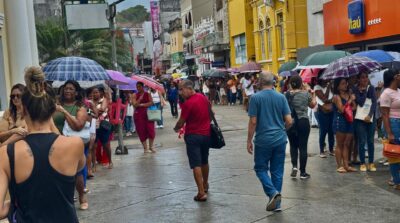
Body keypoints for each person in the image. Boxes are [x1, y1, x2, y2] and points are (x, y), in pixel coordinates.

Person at [0, 66, 85, 222]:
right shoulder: (75, 144)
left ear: (23, 110)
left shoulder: (7, 153)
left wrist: (16, 202)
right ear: (53, 110)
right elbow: (77, 168)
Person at [247, 72, 292, 212]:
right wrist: (281, 130)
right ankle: (276, 205)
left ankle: (273, 193)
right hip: (280, 139)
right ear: (273, 83)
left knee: (260, 168)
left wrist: (249, 140)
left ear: (260, 82)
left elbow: (253, 122)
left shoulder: (255, 98)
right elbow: (289, 121)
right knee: (277, 171)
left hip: (263, 140)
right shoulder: (281, 97)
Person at [53, 80, 90, 210]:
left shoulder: (80, 107)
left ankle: (81, 196)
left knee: (76, 173)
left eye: (71, 89)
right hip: (56, 143)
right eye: (66, 88)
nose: (67, 91)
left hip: (73, 144)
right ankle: (65, 199)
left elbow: (78, 126)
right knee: (58, 173)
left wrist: (64, 111)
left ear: (76, 92)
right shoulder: (56, 104)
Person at [173, 80, 211, 202]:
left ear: (189, 88)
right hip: (206, 135)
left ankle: (201, 192)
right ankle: (205, 184)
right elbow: (211, 113)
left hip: (193, 136)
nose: (180, 93)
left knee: (196, 164)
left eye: (181, 89)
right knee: (204, 161)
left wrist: (176, 128)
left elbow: (181, 121)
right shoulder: (203, 98)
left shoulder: (188, 104)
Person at [286, 76, 316, 179]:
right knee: (303, 147)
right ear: (301, 83)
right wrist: (313, 94)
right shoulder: (306, 94)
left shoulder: (286, 95)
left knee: (293, 146)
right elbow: (313, 105)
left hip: (290, 122)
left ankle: (294, 167)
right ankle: (303, 173)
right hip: (303, 122)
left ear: (290, 84)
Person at [380, 69, 400, 190]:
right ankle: (397, 181)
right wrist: (389, 133)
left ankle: (395, 178)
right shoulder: (386, 93)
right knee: (395, 153)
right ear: (395, 77)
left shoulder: (398, 91)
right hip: (393, 123)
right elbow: (385, 114)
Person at [332, 77, 357, 173]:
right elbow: (342, 110)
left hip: (349, 120)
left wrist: (351, 100)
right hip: (340, 121)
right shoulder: (336, 97)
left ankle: (346, 165)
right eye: (342, 83)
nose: (345, 85)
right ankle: (339, 165)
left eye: (346, 83)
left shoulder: (348, 94)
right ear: (338, 86)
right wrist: (350, 100)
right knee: (340, 144)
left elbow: (354, 107)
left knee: (347, 144)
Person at [353, 73, 377, 172]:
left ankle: (371, 162)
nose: (365, 79)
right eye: (363, 77)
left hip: (370, 119)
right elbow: (361, 102)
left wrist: (370, 115)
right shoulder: (355, 89)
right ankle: (362, 163)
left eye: (366, 76)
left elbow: (374, 103)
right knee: (362, 141)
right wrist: (363, 92)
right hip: (359, 120)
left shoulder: (371, 88)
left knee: (371, 141)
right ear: (358, 79)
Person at [92, 86, 113, 168]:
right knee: (93, 146)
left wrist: (92, 110)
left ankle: (110, 161)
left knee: (106, 145)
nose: (95, 94)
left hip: (103, 125)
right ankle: (94, 164)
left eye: (96, 92)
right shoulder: (90, 101)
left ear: (100, 93)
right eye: (93, 92)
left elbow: (102, 109)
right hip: (93, 125)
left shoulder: (104, 100)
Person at [132, 82, 156, 153]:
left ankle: (151, 146)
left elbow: (151, 102)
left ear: (143, 87)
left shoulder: (148, 94)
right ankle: (145, 148)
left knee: (151, 130)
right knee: (141, 131)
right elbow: (135, 105)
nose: (138, 88)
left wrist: (142, 105)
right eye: (137, 87)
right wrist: (139, 99)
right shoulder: (134, 95)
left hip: (148, 114)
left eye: (139, 86)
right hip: (138, 115)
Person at [314, 75, 335, 158]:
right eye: (326, 77)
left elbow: (334, 96)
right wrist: (329, 88)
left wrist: (331, 87)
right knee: (323, 131)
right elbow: (324, 99)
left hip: (331, 111)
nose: (327, 79)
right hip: (322, 113)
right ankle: (321, 151)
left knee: (331, 131)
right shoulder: (317, 87)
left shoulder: (329, 86)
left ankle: (331, 149)